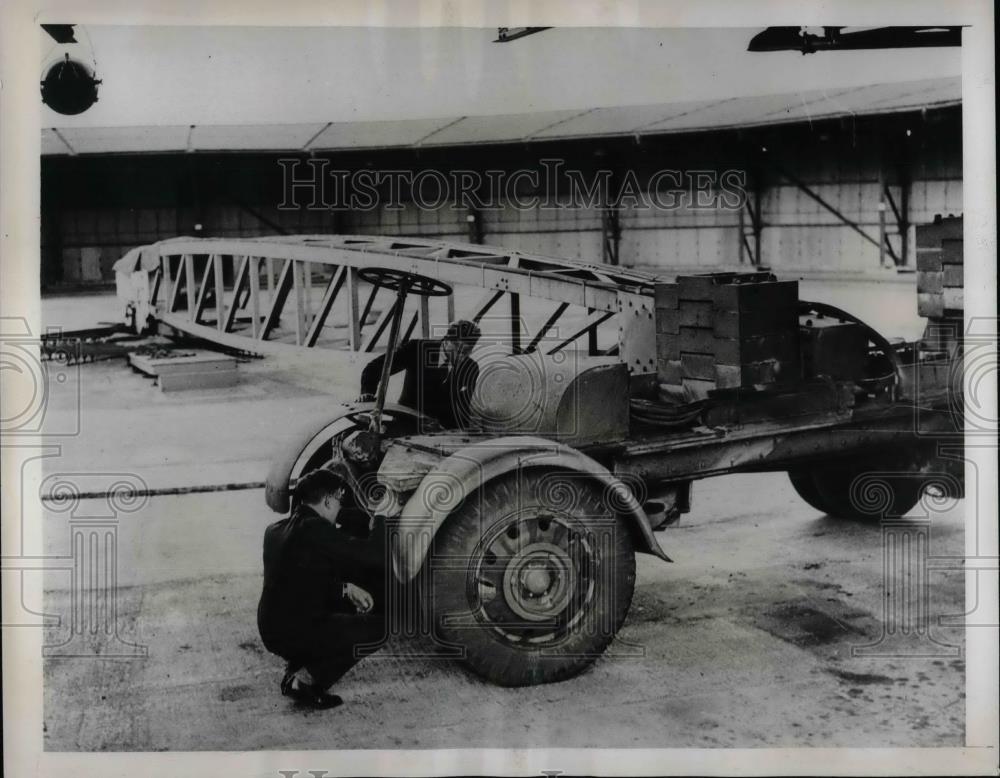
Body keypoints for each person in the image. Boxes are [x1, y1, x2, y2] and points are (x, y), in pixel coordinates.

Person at [257, 468, 387, 710]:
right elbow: (374, 555)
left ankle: (295, 669)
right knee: (380, 629)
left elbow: (301, 581)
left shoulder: (276, 529)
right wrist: (381, 516)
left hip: (272, 627)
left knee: (343, 604)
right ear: (327, 500)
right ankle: (307, 683)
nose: (340, 509)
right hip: (293, 631)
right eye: (338, 502)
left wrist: (346, 588)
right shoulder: (315, 530)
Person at [358, 319, 481, 429]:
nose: (461, 356)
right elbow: (374, 369)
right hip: (406, 424)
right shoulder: (417, 349)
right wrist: (367, 393)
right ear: (447, 340)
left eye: (466, 351)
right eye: (458, 349)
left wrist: (463, 433)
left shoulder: (471, 368)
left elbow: (462, 408)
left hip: (440, 431)